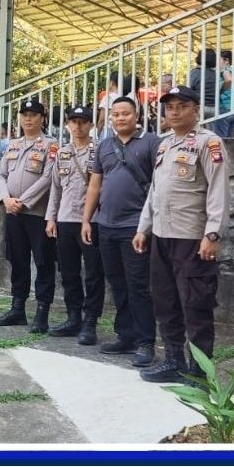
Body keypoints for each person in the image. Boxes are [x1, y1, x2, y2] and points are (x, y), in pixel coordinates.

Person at [133, 86, 230, 384]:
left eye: (181, 106)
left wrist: (212, 234)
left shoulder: (209, 143)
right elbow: (155, 191)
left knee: (196, 305)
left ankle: (199, 372)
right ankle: (174, 361)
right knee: (165, 301)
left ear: (195, 109)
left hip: (191, 237)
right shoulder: (165, 145)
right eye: (170, 107)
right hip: (162, 235)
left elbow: (218, 190)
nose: (174, 112)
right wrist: (143, 228)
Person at [82, 96, 161, 366]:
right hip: (106, 225)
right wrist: (87, 220)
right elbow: (95, 184)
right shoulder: (105, 146)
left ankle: (145, 342)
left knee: (138, 285)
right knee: (117, 283)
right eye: (115, 114)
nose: (120, 118)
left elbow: (158, 184)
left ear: (136, 115)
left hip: (135, 227)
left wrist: (147, 225)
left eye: (125, 113)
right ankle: (125, 335)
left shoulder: (151, 143)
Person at [0, 97, 58, 331]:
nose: (28, 119)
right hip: (13, 212)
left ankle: (42, 313)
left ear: (42, 118)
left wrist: (23, 201)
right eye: (25, 115)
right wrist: (6, 199)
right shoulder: (12, 144)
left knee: (43, 263)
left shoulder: (51, 145)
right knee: (17, 260)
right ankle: (17, 308)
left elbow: (48, 177)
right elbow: (1, 174)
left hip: (37, 213)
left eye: (33, 115)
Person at [45, 104, 104, 345]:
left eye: (83, 122)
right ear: (67, 124)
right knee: (68, 272)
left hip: (91, 221)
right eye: (74, 122)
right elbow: (55, 189)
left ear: (90, 124)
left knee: (93, 274)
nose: (78, 126)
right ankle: (73, 317)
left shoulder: (99, 151)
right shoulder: (62, 153)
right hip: (65, 219)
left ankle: (90, 321)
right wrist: (51, 218)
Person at [187, 49, 219, 123]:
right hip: (215, 108)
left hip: (199, 107)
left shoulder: (195, 72)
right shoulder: (216, 74)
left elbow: (188, 90)